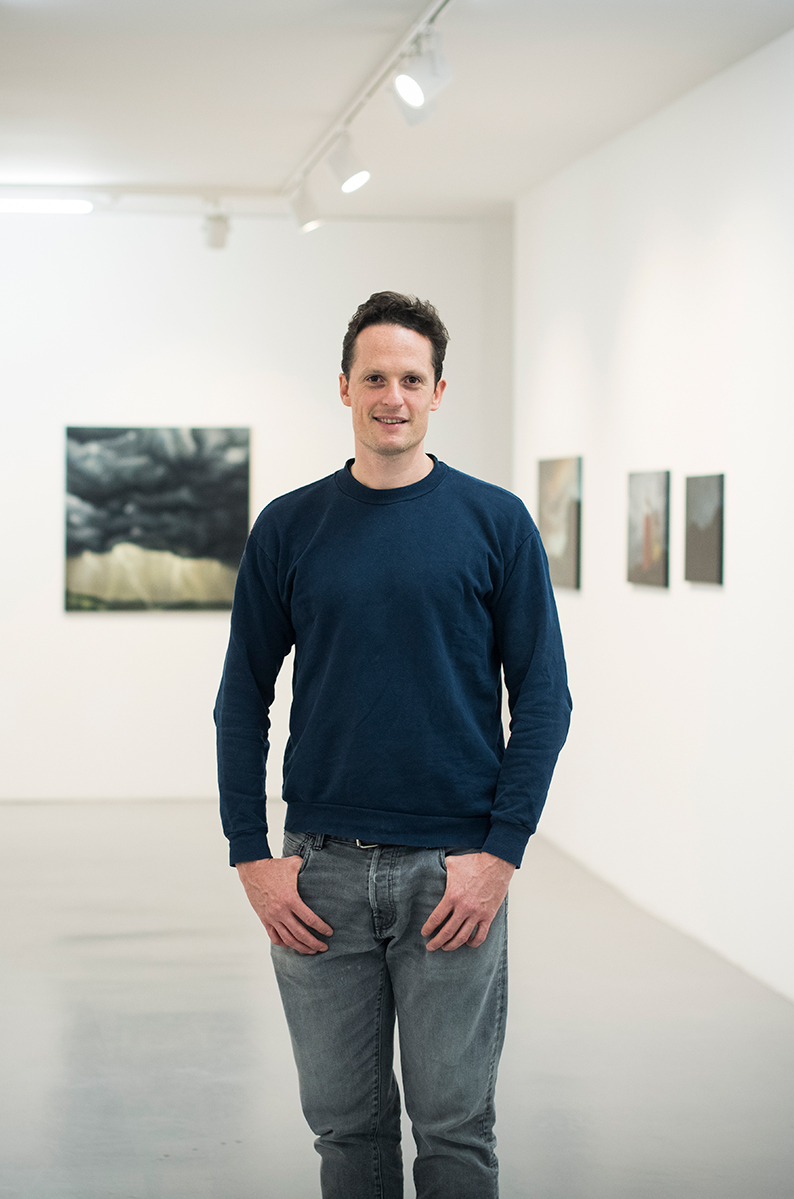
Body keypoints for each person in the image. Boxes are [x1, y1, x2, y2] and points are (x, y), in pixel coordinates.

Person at [214, 291, 571, 1198]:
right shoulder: (289, 527)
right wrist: (250, 855)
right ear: (343, 386)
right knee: (346, 1132)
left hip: (452, 874)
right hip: (319, 875)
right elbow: (240, 698)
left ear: (439, 391)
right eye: (374, 377)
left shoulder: (496, 523)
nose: (392, 396)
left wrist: (500, 853)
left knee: (454, 1133)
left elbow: (544, 698)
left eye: (411, 378)